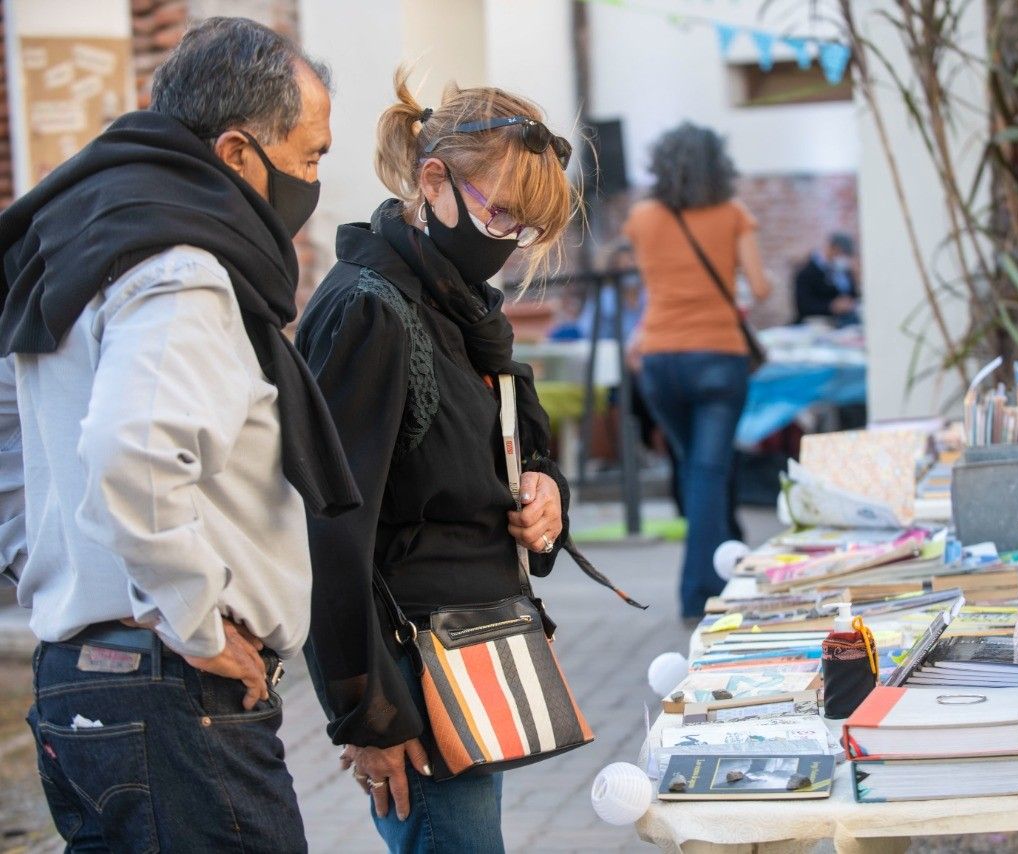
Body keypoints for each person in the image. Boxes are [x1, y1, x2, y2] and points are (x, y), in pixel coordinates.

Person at [0, 17, 354, 852]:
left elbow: (12, 432)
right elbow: (134, 455)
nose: (310, 179)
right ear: (236, 154)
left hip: (88, 677)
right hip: (173, 693)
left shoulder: (77, 236)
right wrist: (194, 619)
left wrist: (42, 563)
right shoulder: (182, 268)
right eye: (308, 156)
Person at [296, 71, 579, 853]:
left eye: (527, 230)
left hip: (476, 649)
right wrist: (367, 717)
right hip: (412, 684)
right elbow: (328, 528)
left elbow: (514, 439)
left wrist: (544, 490)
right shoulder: (371, 309)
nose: (510, 243)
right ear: (433, 180)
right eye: (504, 215)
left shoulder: (462, 311)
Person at [624, 122, 771, 618]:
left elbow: (652, 285)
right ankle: (700, 592)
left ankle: (731, 553)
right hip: (718, 357)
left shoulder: (642, 217)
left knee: (696, 468)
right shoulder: (733, 214)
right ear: (719, 165)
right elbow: (761, 287)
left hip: (660, 362)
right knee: (707, 471)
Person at [793, 232, 858, 324]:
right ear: (832, 248)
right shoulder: (807, 272)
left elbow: (852, 294)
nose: (842, 257)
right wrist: (831, 306)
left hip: (844, 321)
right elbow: (803, 306)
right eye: (840, 253)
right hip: (816, 323)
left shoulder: (843, 270)